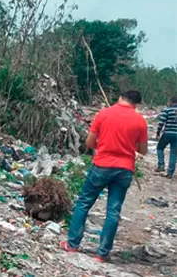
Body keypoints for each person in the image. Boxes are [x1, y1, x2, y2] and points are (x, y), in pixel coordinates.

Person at [62, 90, 149, 262]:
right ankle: (102, 254)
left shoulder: (104, 114)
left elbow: (89, 142)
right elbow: (143, 150)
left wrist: (103, 143)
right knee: (113, 212)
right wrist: (129, 144)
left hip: (102, 165)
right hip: (124, 169)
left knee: (83, 204)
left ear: (120, 98)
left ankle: (72, 245)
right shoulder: (140, 121)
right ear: (137, 104)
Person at [157, 96, 177, 178]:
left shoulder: (167, 110)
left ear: (171, 102)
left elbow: (162, 122)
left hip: (168, 133)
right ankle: (170, 173)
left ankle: (161, 165)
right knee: (173, 153)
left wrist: (158, 132)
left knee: (159, 148)